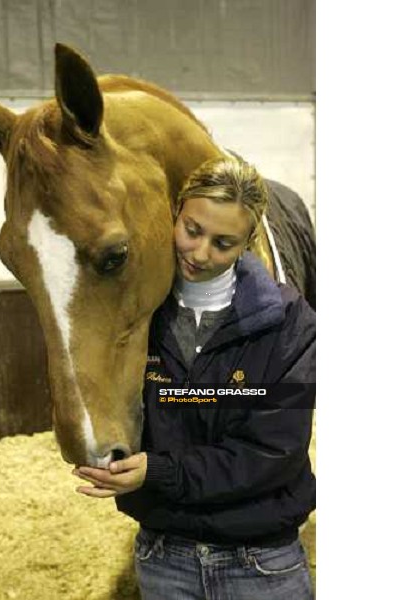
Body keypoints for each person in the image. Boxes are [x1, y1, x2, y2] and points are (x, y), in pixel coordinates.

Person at [73, 158, 316, 600]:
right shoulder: (135, 317)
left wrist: (157, 472)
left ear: (249, 242)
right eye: (192, 230)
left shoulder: (294, 325)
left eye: (224, 243)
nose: (200, 253)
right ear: (176, 212)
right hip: (163, 557)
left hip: (260, 564)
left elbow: (275, 451)